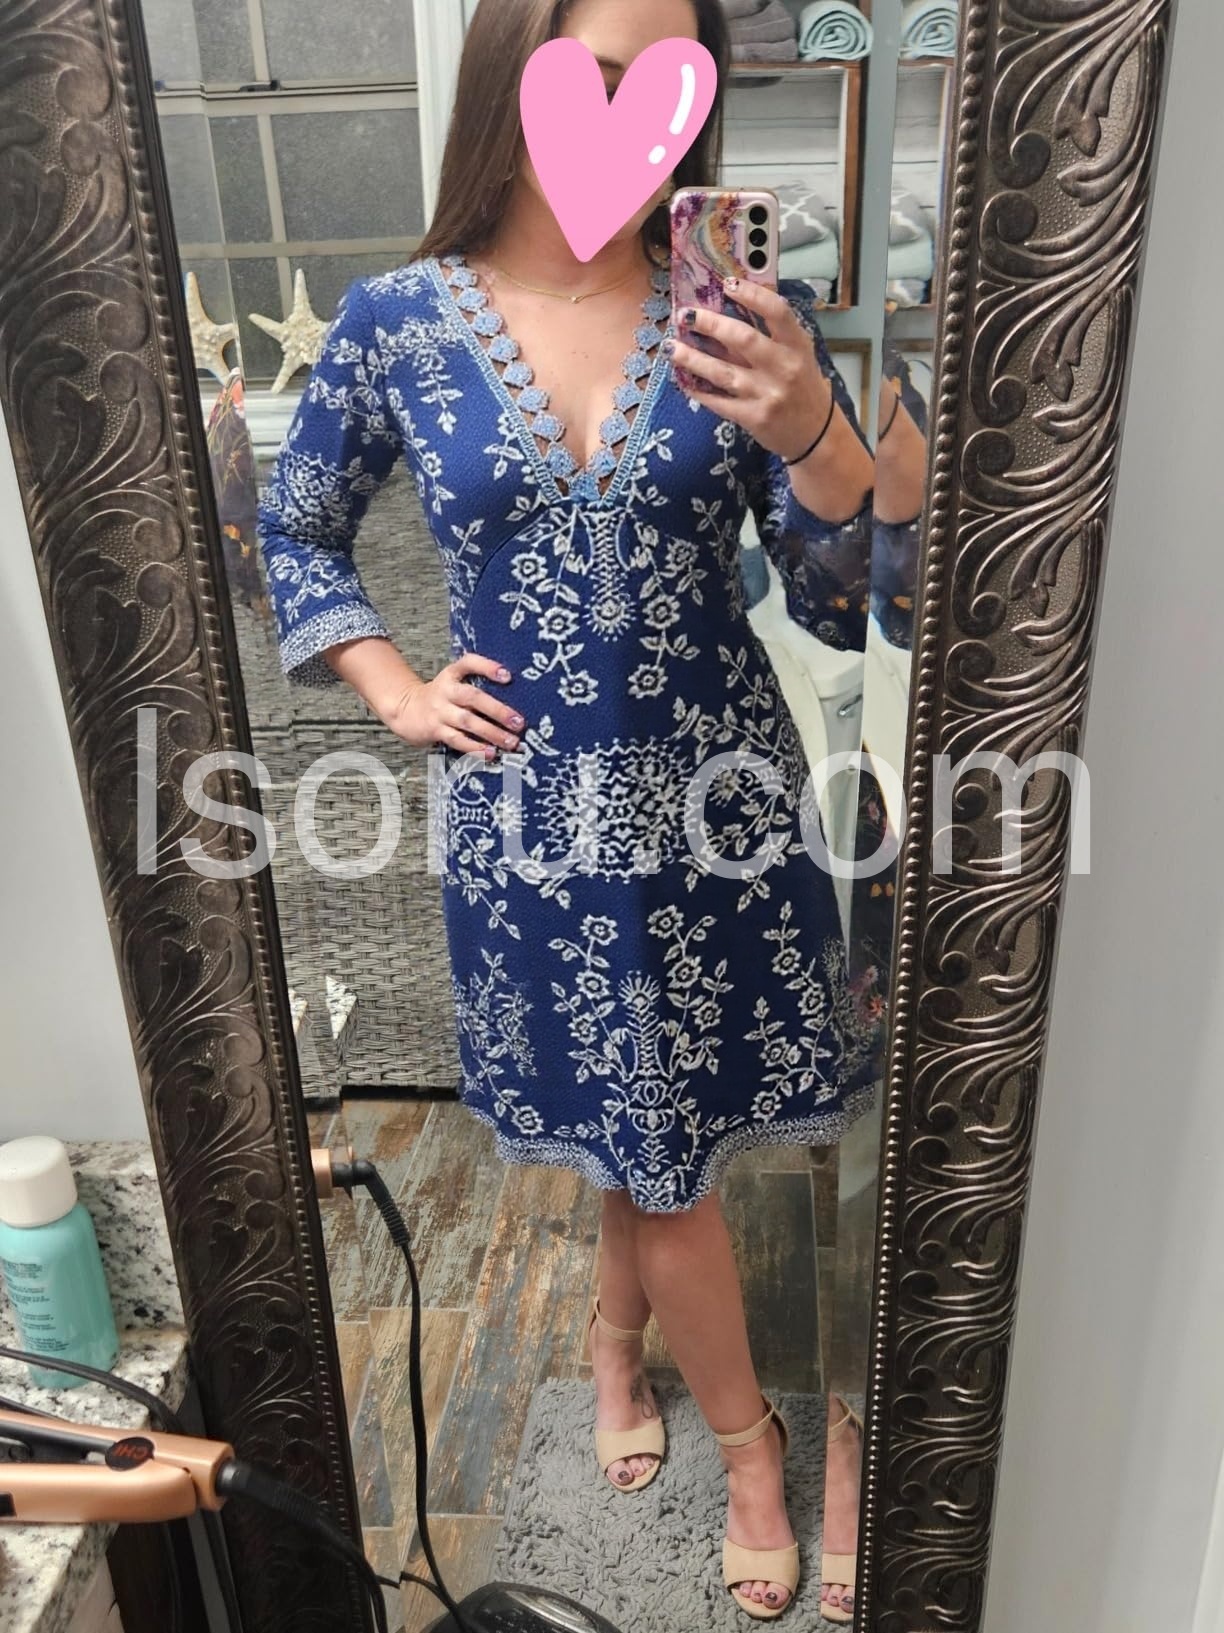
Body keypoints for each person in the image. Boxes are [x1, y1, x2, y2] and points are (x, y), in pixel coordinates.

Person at [256, 0, 879, 1618]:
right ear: (511, 77)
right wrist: (397, 689)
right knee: (658, 1152)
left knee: (657, 1134)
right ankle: (750, 1447)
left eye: (667, 81)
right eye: (599, 74)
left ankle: (615, 1344)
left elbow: (842, 581)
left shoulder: (735, 314)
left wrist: (812, 428)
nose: (633, 116)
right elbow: (296, 524)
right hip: (532, 830)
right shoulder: (398, 321)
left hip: (719, 802)